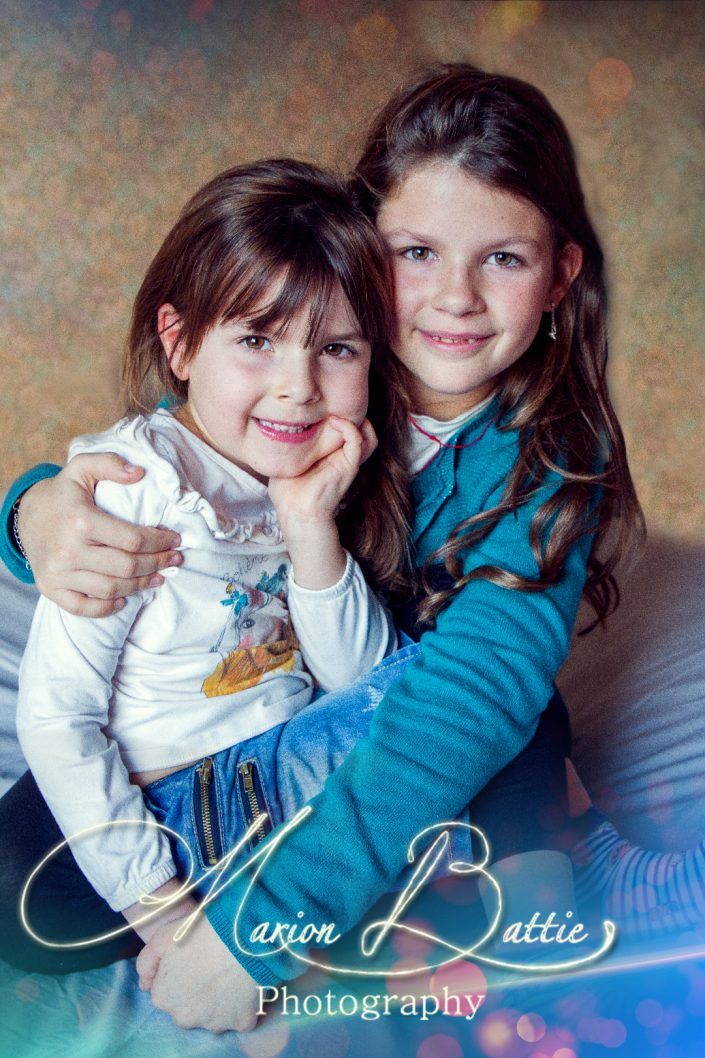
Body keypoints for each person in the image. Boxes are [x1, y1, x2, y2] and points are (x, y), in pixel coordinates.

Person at [1, 64, 644, 1031]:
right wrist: (33, 514)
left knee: (505, 709)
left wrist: (266, 926)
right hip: (242, 729)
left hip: (384, 722)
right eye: (415, 251)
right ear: (354, 251)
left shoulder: (550, 445)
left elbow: (469, 689)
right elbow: (156, 464)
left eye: (502, 259)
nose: (455, 298)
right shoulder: (312, 366)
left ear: (559, 274)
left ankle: (545, 900)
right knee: (21, 889)